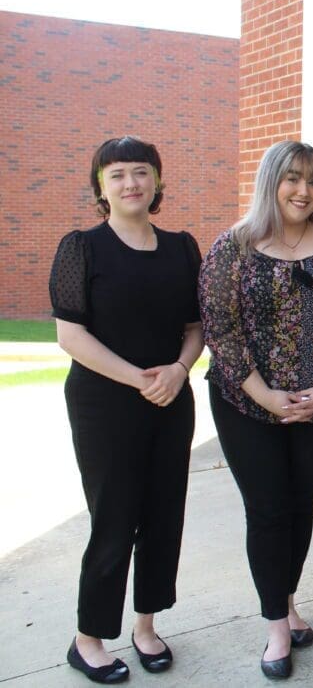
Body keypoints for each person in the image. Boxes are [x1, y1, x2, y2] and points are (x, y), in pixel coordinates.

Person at [198, 141, 313, 679]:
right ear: (271, 181)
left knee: (301, 509)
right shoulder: (234, 247)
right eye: (293, 178)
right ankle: (277, 626)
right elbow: (219, 331)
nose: (304, 190)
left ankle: (288, 600)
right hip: (246, 405)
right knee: (268, 511)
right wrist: (266, 395)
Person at [49, 136, 203, 684]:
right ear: (100, 187)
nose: (131, 183)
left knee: (163, 517)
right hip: (105, 404)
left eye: (141, 172)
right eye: (117, 174)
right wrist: (139, 378)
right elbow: (70, 334)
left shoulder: (183, 248)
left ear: (157, 181)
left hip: (171, 398)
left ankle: (146, 626)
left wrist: (180, 370)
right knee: (114, 519)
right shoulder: (81, 248)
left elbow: (194, 327)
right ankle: (88, 638)